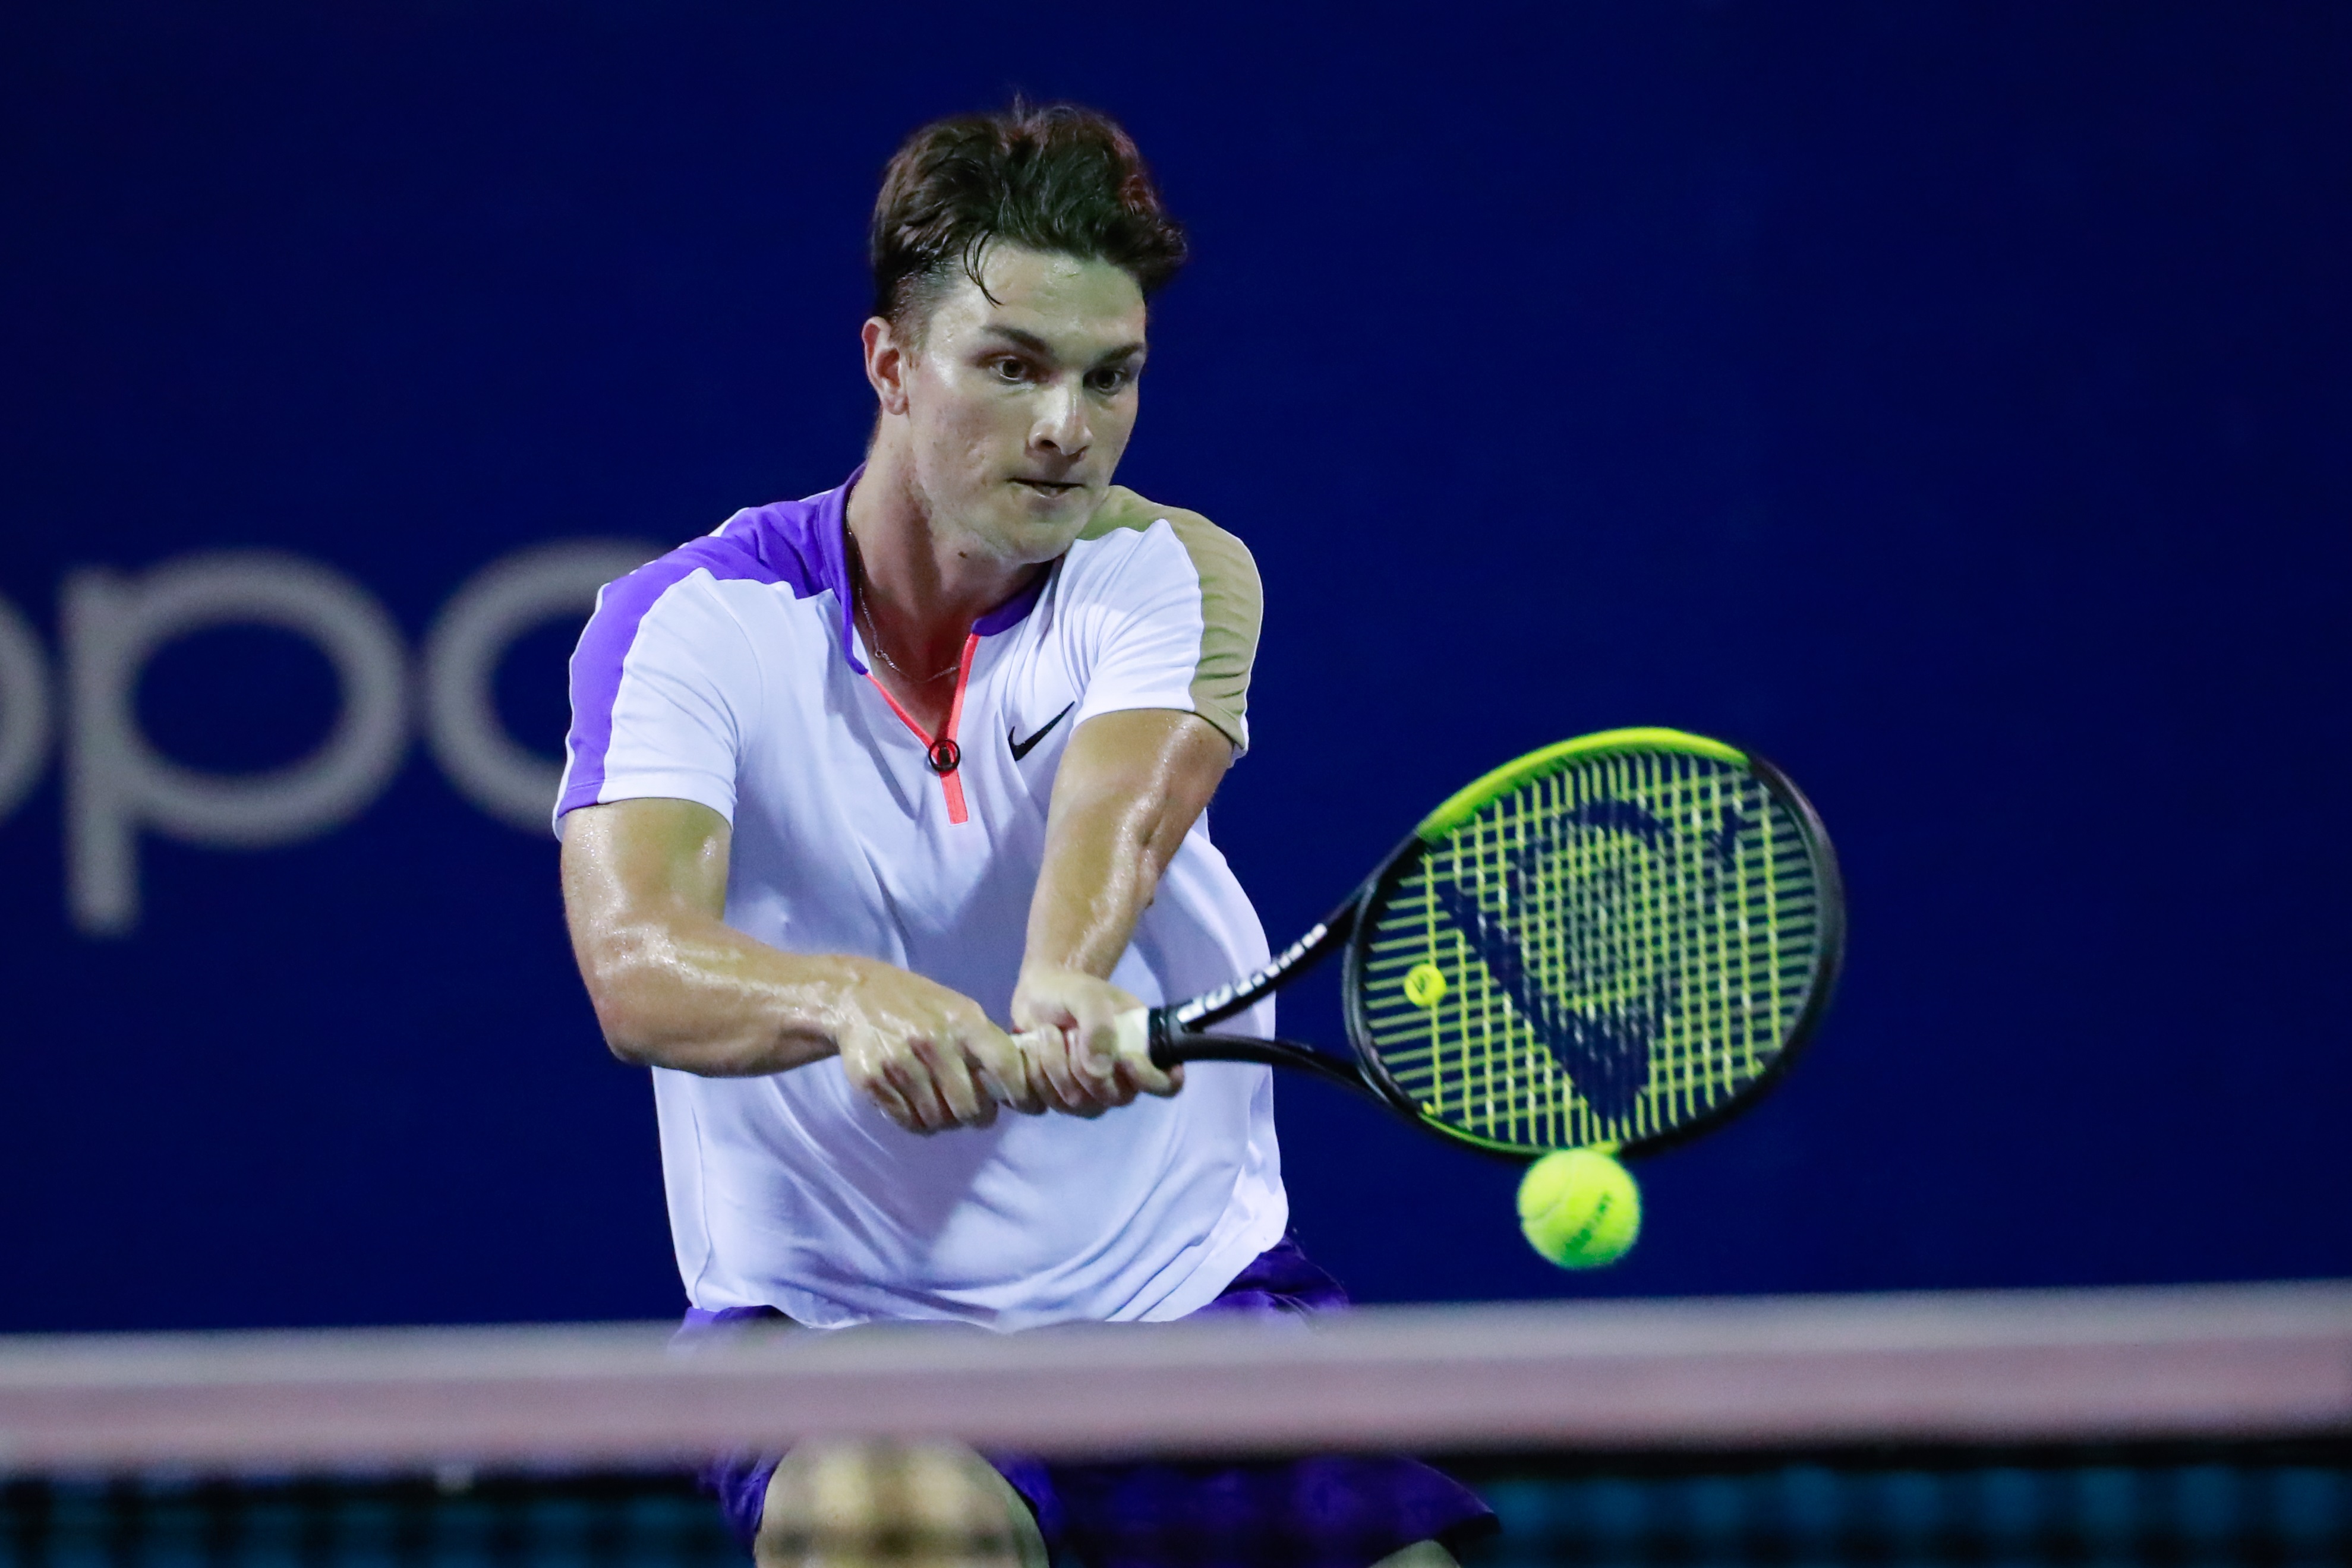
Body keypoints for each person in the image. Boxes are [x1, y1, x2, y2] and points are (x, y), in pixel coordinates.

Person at [556, 100, 1491, 1568]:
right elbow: (633, 962)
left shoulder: (1167, 572)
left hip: (1184, 1312)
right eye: (1012, 367)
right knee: (887, 1529)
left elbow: (1121, 799)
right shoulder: (686, 623)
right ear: (889, 363)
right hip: (839, 1341)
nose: (1068, 429)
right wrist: (841, 996)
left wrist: (1065, 980)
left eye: (1110, 378)